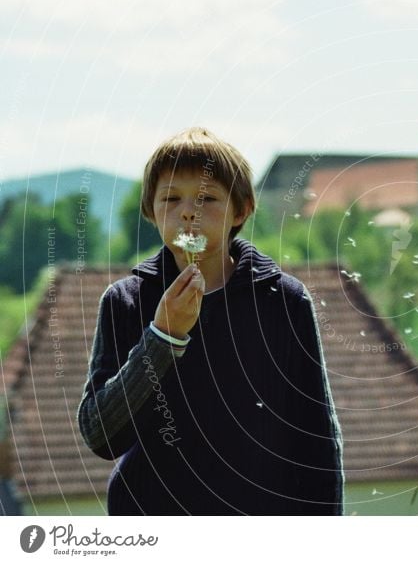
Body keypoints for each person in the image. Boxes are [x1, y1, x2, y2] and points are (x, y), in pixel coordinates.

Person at [77, 127, 344, 515]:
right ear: (150, 210)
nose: (188, 211)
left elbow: (316, 438)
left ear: (242, 210)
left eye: (206, 198)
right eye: (171, 198)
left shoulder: (283, 300)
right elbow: (102, 436)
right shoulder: (126, 301)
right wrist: (162, 336)